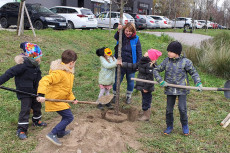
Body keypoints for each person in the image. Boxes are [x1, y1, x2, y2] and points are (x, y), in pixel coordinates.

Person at [153, 41, 203, 136]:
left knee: (182, 108)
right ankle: (169, 126)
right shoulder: (166, 61)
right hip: (170, 89)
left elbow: (194, 73)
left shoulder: (186, 62)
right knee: (168, 109)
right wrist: (160, 80)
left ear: (177, 52)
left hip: (182, 89)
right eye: (168, 51)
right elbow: (156, 70)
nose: (168, 53)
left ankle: (185, 125)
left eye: (170, 51)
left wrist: (198, 82)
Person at [0, 42, 47, 140]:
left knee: (37, 106)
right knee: (25, 109)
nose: (40, 59)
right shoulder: (22, 66)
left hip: (34, 91)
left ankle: (36, 121)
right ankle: (21, 129)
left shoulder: (36, 66)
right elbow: (9, 73)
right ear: (32, 57)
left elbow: (40, 81)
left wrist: (40, 93)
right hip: (24, 91)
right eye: (38, 57)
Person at [36, 50, 78, 146]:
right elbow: (44, 80)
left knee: (66, 115)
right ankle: (53, 133)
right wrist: (41, 94)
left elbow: (67, 90)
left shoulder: (69, 73)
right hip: (54, 100)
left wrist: (73, 99)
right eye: (75, 63)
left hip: (61, 99)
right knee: (69, 117)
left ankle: (61, 133)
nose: (74, 64)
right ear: (71, 62)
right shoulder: (59, 73)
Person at [118, 49, 162, 121]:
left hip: (146, 87)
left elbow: (150, 79)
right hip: (143, 85)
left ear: (150, 56)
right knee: (145, 99)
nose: (145, 52)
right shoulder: (143, 62)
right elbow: (134, 66)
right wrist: (123, 64)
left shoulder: (150, 66)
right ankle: (145, 113)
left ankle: (146, 116)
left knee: (146, 100)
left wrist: (146, 88)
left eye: (147, 53)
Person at [113, 22, 142, 104]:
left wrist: (138, 64)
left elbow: (139, 52)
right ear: (124, 30)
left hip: (131, 64)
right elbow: (116, 37)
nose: (128, 33)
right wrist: (119, 30)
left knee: (130, 81)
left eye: (130, 31)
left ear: (133, 32)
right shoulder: (121, 36)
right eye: (126, 31)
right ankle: (115, 96)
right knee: (117, 80)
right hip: (120, 63)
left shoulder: (136, 39)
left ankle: (128, 96)